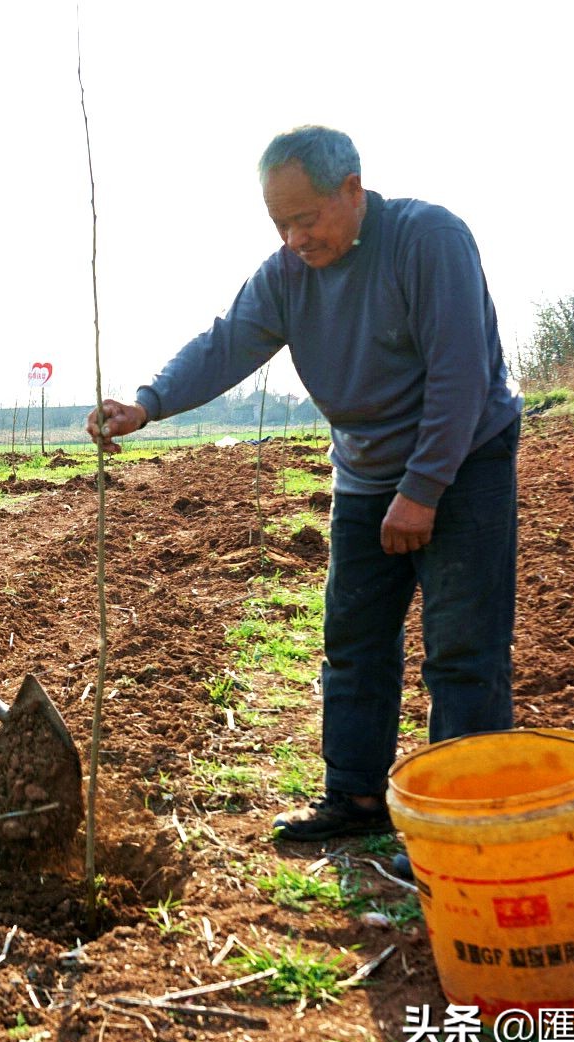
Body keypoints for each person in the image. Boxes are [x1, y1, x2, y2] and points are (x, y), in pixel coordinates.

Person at [88, 125, 522, 841]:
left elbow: (461, 375)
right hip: (366, 469)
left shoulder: (428, 239)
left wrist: (422, 490)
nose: (294, 238)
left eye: (307, 218)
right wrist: (148, 402)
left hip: (463, 460)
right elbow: (226, 342)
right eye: (280, 223)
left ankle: (465, 828)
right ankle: (354, 799)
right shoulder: (287, 275)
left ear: (352, 190)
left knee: (462, 647)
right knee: (353, 637)